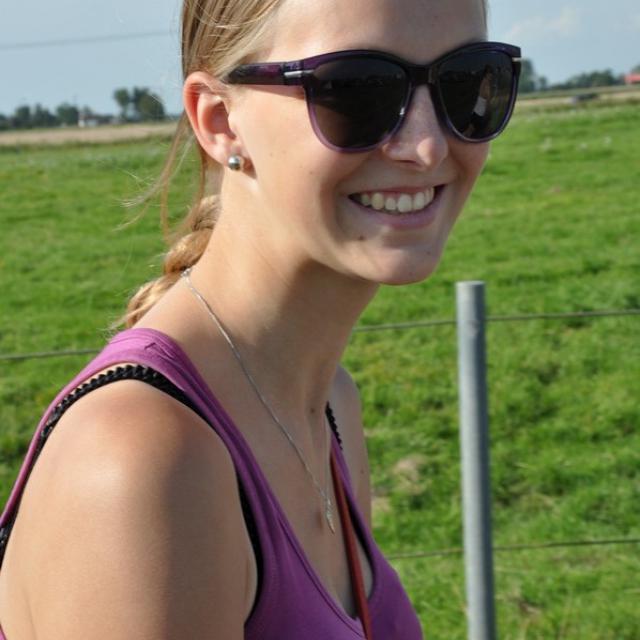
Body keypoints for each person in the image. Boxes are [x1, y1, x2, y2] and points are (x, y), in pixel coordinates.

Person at [0, 0, 520, 637]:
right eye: (356, 90)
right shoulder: (141, 463)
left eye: (467, 83)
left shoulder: (330, 405)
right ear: (220, 122)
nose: (428, 144)